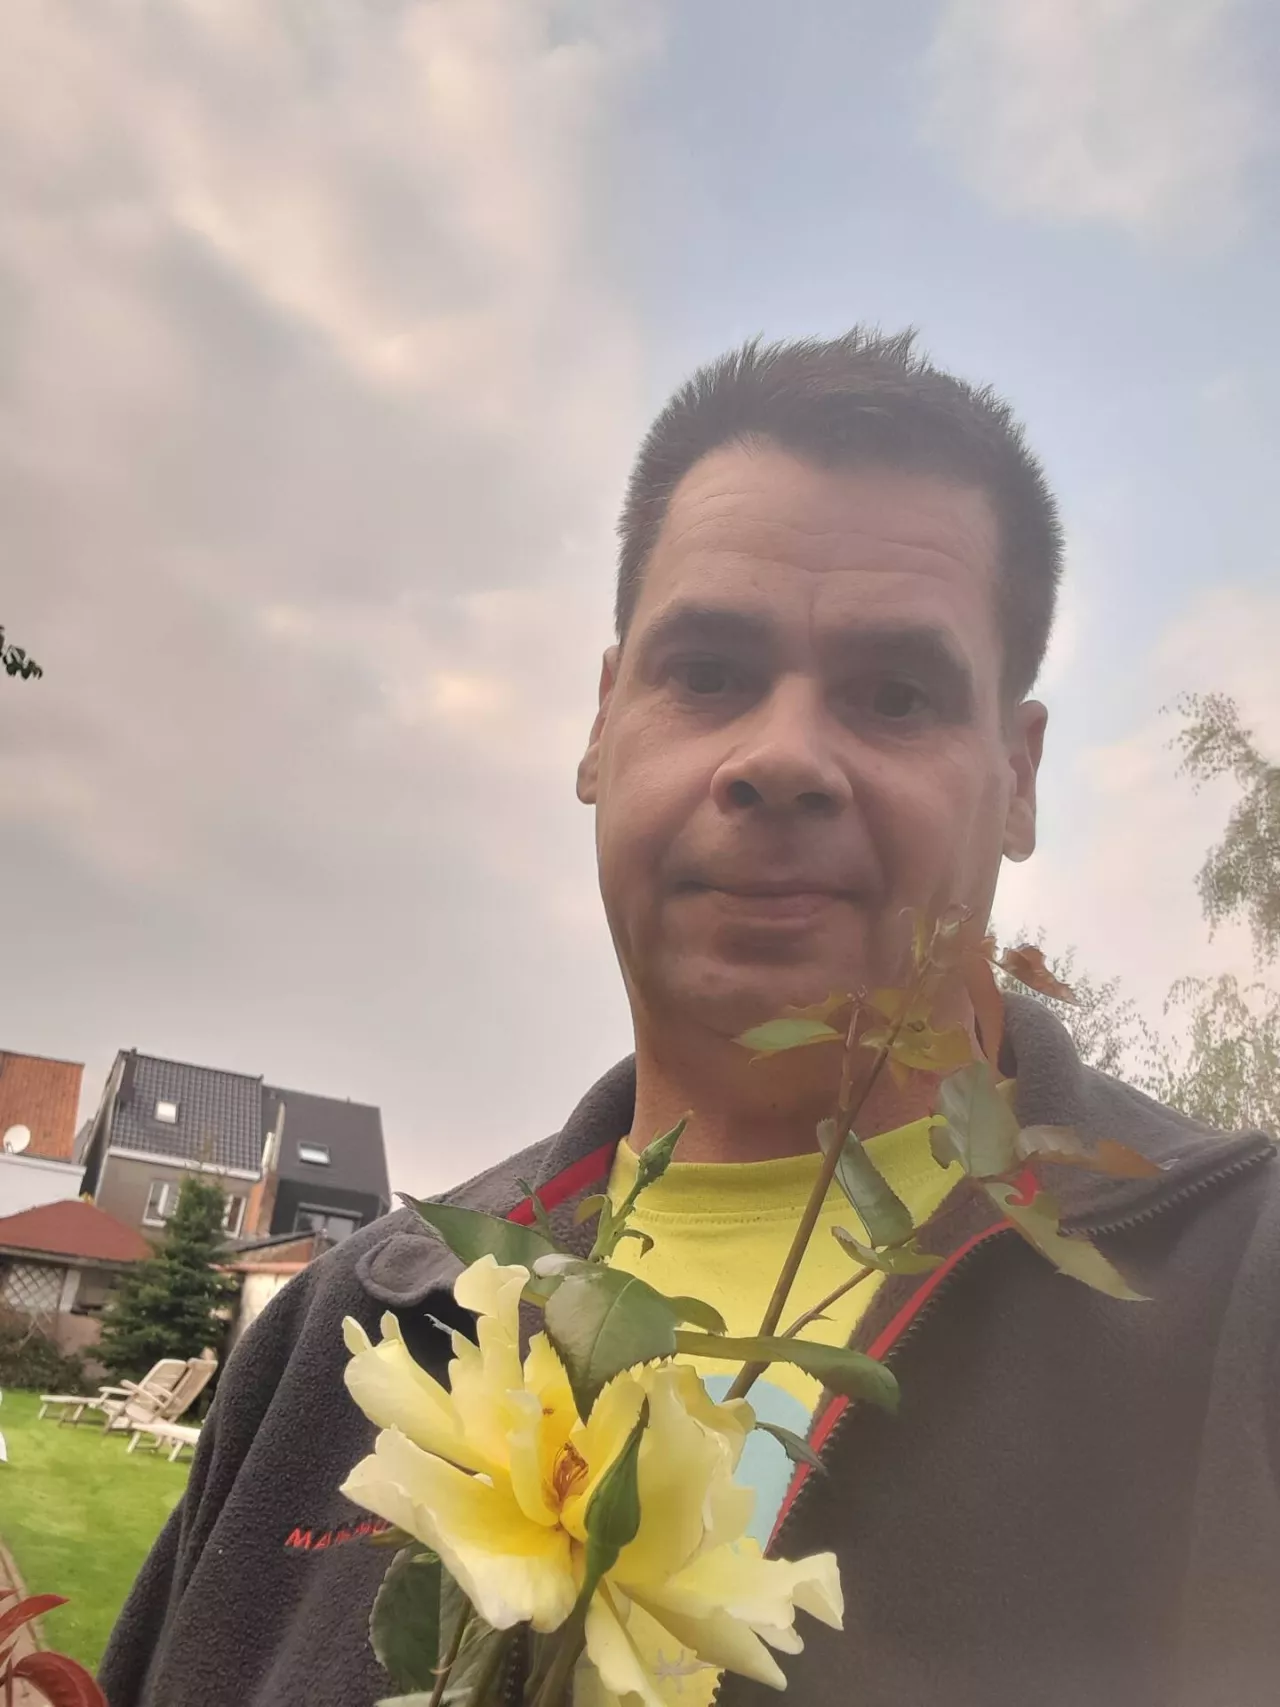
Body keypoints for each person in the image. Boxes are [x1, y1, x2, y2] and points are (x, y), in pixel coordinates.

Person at [100, 331, 1280, 1707]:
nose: (782, 757)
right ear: (604, 724)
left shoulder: (1238, 1304)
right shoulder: (340, 1340)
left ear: (1017, 780)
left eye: (896, 694)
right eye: (710, 671)